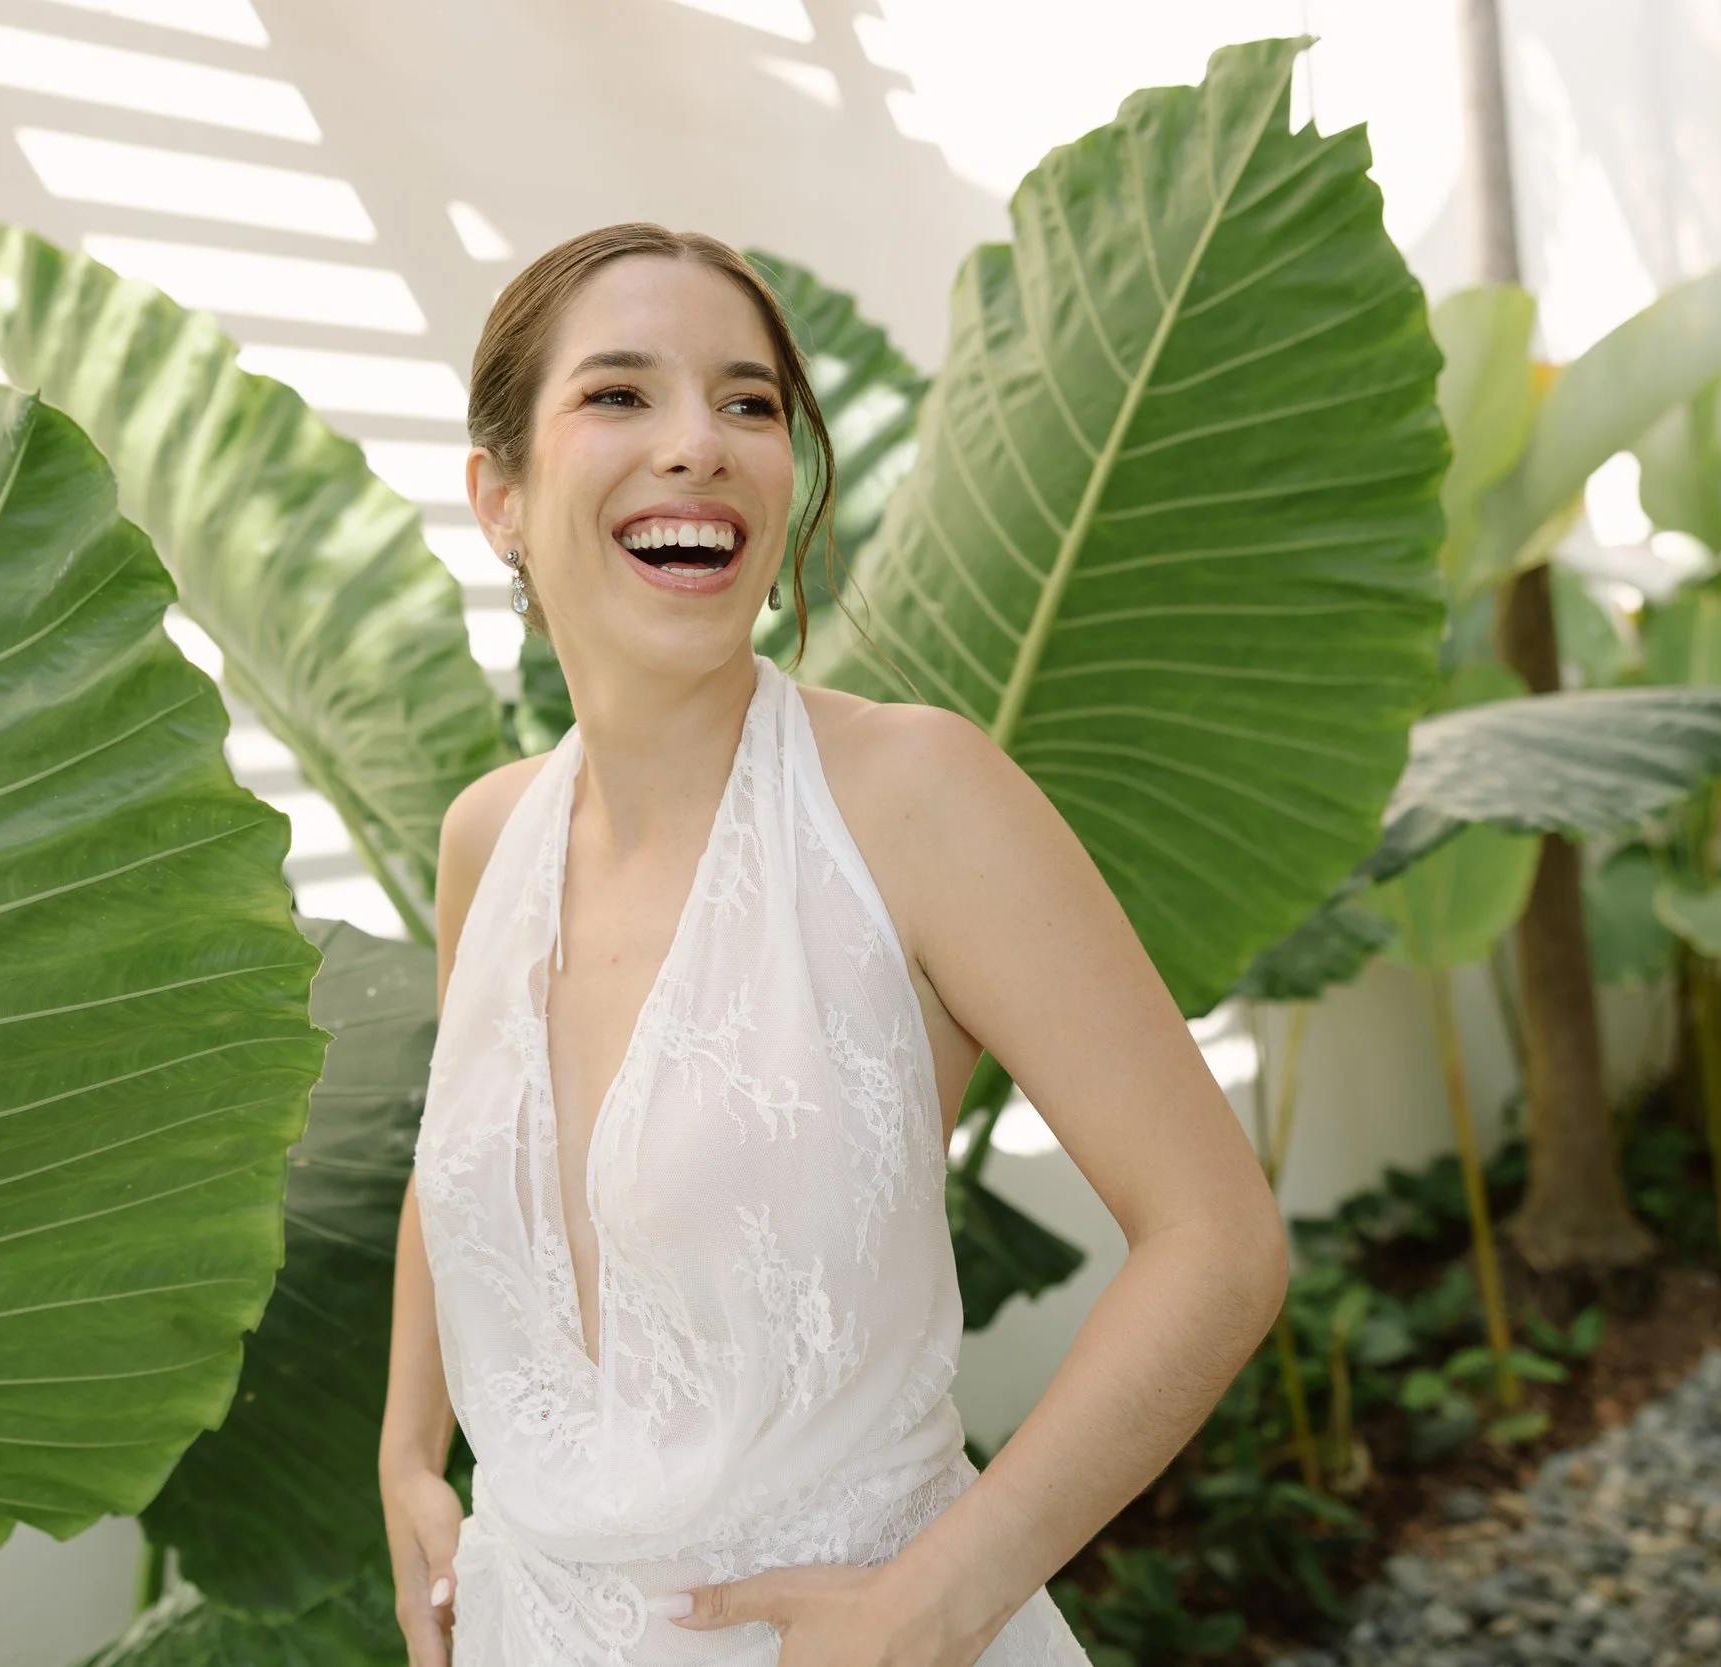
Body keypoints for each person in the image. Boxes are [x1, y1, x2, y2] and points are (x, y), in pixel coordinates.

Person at [378, 222, 1288, 1667]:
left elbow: (1218, 1242)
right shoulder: (487, 839)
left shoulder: (914, 797)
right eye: (620, 394)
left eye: (748, 403)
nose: (699, 443)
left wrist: (940, 1601)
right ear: (501, 497)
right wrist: (406, 1449)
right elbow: (468, 1164)